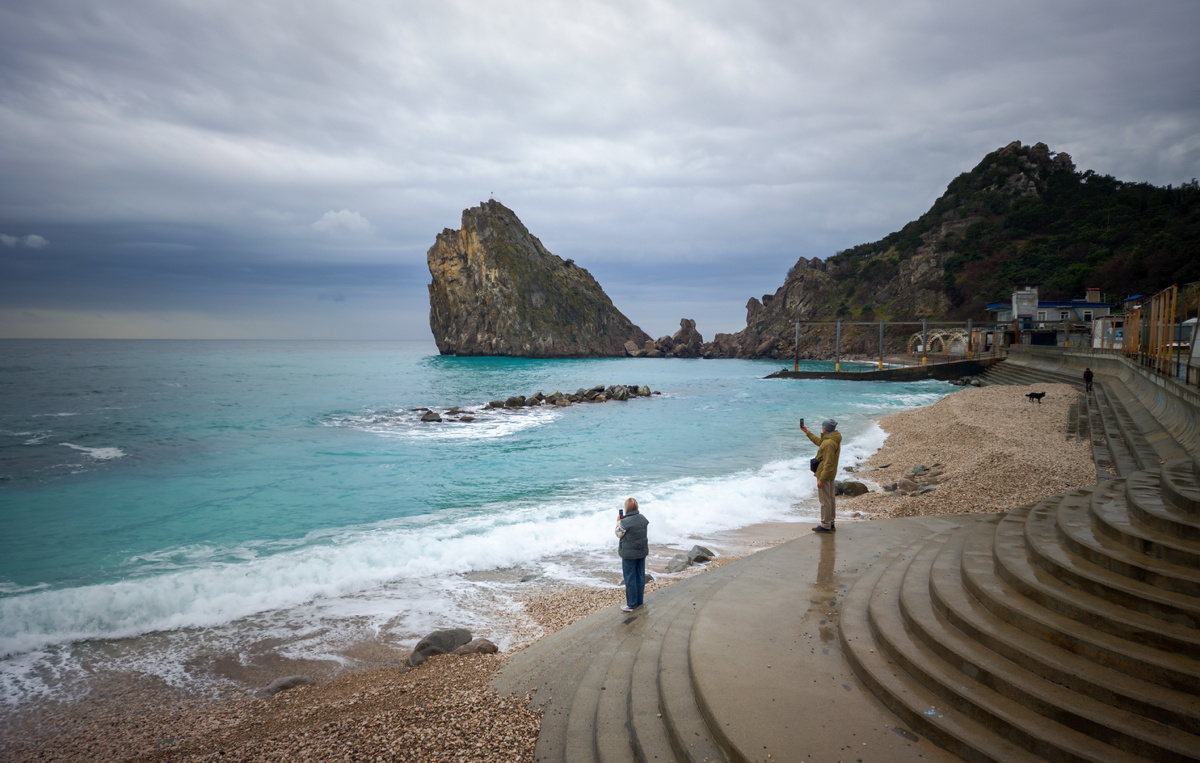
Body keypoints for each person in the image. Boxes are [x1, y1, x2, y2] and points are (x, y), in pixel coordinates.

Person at [802, 418, 842, 534]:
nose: (822, 428)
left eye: (823, 427)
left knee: (825, 501)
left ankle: (825, 525)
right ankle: (831, 523)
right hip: (830, 473)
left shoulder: (829, 443)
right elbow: (820, 442)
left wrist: (822, 479)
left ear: (826, 429)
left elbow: (828, 463)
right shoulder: (832, 438)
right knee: (830, 499)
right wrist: (807, 432)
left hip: (825, 474)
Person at [614, 497, 649, 612]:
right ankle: (639, 601)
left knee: (630, 578)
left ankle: (632, 604)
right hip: (642, 551)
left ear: (627, 508)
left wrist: (618, 521)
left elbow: (619, 533)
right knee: (640, 576)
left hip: (629, 554)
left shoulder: (625, 522)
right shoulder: (643, 518)